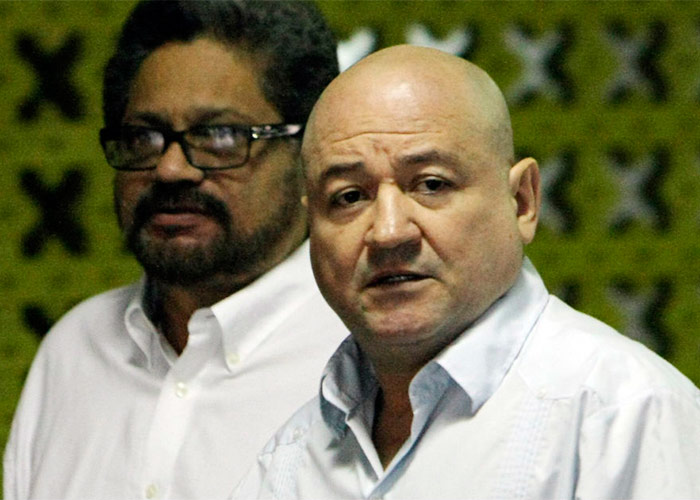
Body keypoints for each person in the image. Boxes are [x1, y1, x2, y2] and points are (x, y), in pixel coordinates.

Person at [233, 45, 700, 499]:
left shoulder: (621, 416)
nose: (389, 232)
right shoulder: (289, 462)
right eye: (349, 197)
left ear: (522, 202)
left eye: (431, 184)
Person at [3, 1, 348, 499]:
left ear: (310, 153)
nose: (170, 169)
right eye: (144, 137)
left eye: (220, 136)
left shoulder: (366, 357)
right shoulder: (75, 350)